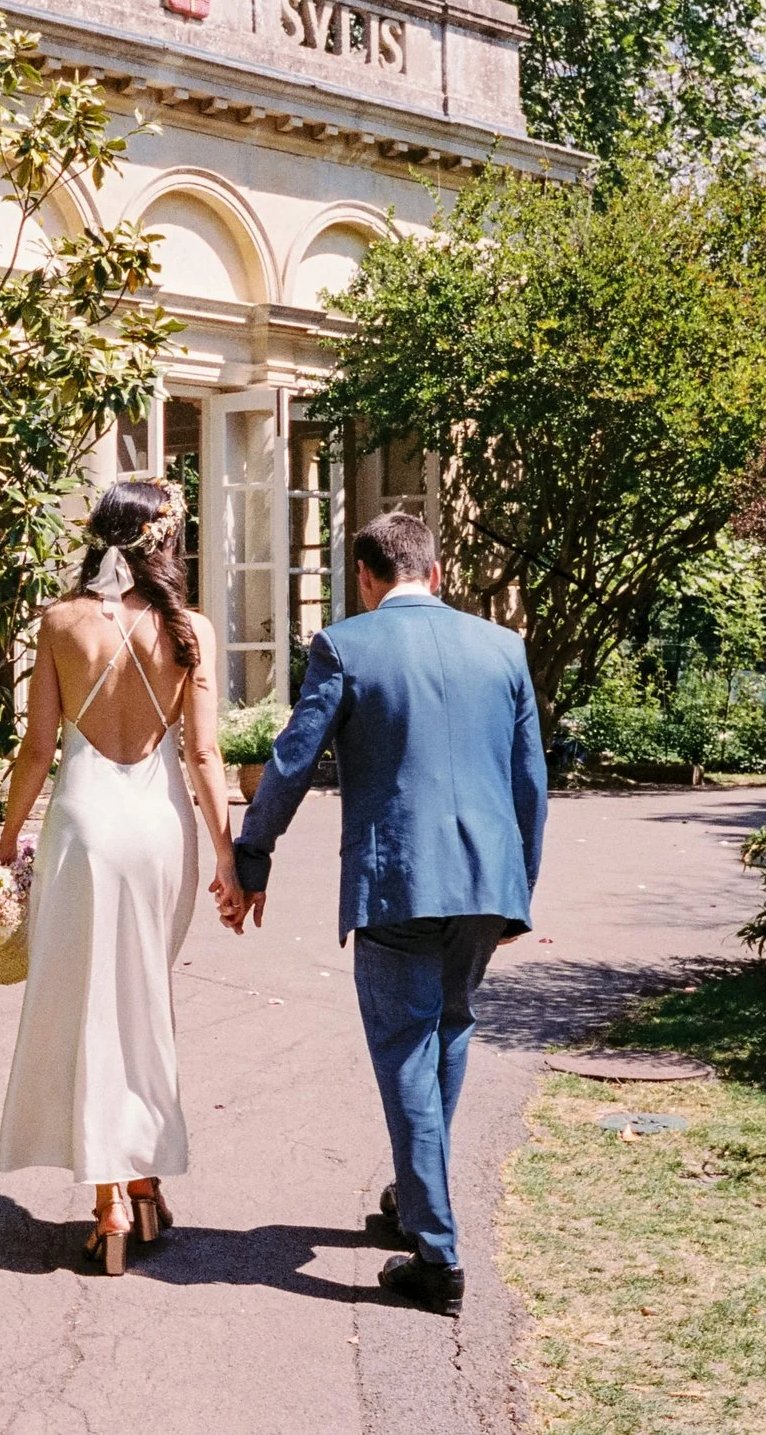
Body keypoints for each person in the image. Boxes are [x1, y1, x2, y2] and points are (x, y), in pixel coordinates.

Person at [224, 511, 547, 1315]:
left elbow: (294, 757)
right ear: (434, 574)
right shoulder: (503, 648)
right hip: (485, 882)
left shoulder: (345, 644)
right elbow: (530, 781)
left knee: (406, 1049)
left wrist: (252, 852)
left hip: (398, 879)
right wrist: (517, 888)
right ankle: (413, 1198)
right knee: (449, 1028)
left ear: (367, 579)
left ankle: (437, 1256)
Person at [0, 479, 240, 1274]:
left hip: (85, 829)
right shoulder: (190, 629)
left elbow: (37, 750)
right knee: (140, 1001)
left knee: (90, 1007)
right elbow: (204, 757)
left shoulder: (61, 623)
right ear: (161, 543)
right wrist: (231, 858)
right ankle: (141, 1180)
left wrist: (4, 846)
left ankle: (109, 1207)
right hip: (160, 831)